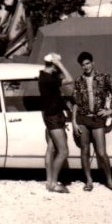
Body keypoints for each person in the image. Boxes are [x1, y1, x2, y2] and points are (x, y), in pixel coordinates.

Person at [71, 51, 112, 193]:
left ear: (93, 63)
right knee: (85, 151)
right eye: (83, 65)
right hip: (82, 119)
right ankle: (88, 181)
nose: (86, 67)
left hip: (97, 119)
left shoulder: (104, 77)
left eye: (87, 63)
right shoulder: (78, 80)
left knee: (101, 152)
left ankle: (110, 182)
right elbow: (75, 102)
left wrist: (110, 111)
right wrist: (74, 122)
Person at [39, 52, 73, 194]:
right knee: (63, 151)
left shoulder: (43, 76)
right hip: (54, 117)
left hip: (51, 115)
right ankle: (53, 183)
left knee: (51, 149)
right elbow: (70, 79)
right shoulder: (48, 79)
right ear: (53, 64)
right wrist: (60, 65)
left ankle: (49, 182)